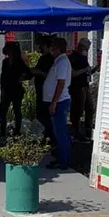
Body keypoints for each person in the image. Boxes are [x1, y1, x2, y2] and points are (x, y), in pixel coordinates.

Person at [42, 37, 72, 169]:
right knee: (57, 131)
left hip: (60, 102)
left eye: (53, 47)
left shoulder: (62, 62)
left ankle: (63, 161)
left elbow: (61, 83)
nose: (51, 50)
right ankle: (60, 158)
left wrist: (54, 102)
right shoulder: (59, 61)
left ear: (58, 49)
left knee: (60, 132)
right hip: (57, 101)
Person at [0, 41, 31, 139]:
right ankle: (3, 133)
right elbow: (3, 76)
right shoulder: (5, 62)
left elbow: (29, 74)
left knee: (17, 111)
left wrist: (21, 78)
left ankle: (17, 132)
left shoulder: (19, 62)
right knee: (3, 111)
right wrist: (2, 88)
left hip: (16, 90)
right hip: (6, 90)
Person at [69, 38, 95, 142]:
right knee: (78, 110)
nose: (86, 51)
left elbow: (88, 71)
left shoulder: (84, 58)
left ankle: (88, 130)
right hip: (77, 87)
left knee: (90, 108)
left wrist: (95, 68)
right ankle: (76, 132)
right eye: (86, 49)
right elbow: (72, 74)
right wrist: (85, 70)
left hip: (85, 85)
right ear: (80, 47)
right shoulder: (72, 58)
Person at [31, 35, 55, 143]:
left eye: (42, 45)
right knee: (41, 115)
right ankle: (47, 136)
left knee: (45, 116)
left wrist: (38, 72)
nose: (40, 47)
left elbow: (49, 75)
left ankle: (50, 137)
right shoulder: (42, 58)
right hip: (40, 91)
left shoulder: (50, 59)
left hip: (47, 93)